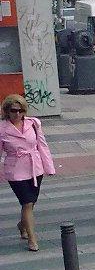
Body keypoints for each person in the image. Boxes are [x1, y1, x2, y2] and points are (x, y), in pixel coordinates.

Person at [0, 94, 56, 251]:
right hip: (15, 171)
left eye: (20, 110)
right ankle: (32, 239)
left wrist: (49, 167)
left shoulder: (34, 124)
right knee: (27, 202)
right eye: (13, 110)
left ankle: (22, 224)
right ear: (6, 111)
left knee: (31, 203)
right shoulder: (2, 129)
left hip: (34, 168)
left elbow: (42, 146)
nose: (17, 114)